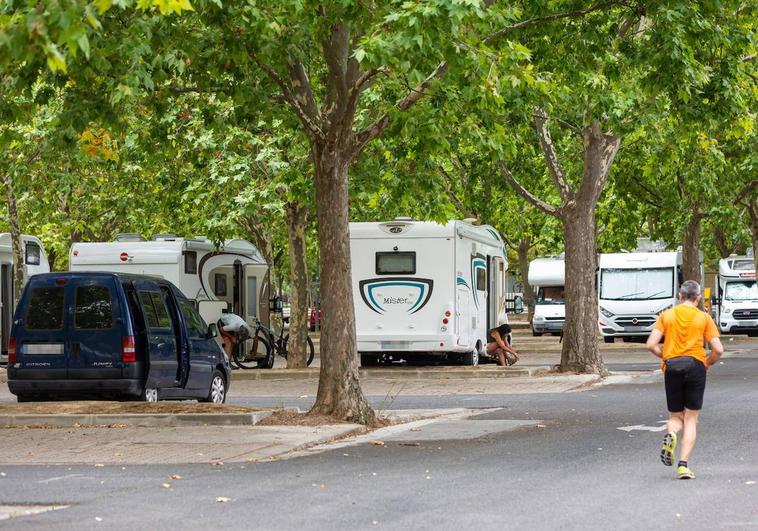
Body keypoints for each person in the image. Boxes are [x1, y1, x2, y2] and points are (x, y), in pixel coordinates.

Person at [646, 280, 724, 480]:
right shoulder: (703, 317)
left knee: (675, 416)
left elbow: (651, 344)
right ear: (698, 299)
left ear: (680, 296)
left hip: (672, 367)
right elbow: (719, 350)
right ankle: (683, 465)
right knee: (691, 418)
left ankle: (671, 434)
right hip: (696, 366)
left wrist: (665, 357)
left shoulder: (667, 315)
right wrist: (707, 362)